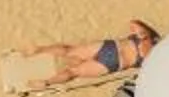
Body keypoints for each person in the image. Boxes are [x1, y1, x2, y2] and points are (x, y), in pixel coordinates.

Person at [25, 20, 158, 83]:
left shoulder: (146, 37)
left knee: (70, 51)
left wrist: (143, 35)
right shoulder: (153, 60)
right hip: (116, 63)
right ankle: (46, 82)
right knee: (73, 72)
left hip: (112, 47)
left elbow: (133, 23)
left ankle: (39, 50)